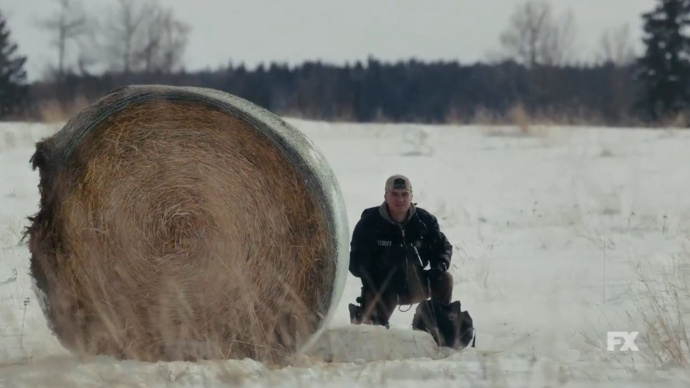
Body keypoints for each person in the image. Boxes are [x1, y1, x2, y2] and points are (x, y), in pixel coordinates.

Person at [348, 174, 454, 328]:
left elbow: (443, 248)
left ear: (411, 196)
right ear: (386, 196)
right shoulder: (369, 223)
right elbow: (355, 263)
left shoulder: (424, 221)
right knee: (373, 333)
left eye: (405, 194)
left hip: (415, 283)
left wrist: (438, 267)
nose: (400, 199)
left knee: (445, 279)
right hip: (382, 288)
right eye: (395, 194)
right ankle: (365, 316)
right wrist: (382, 270)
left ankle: (437, 325)